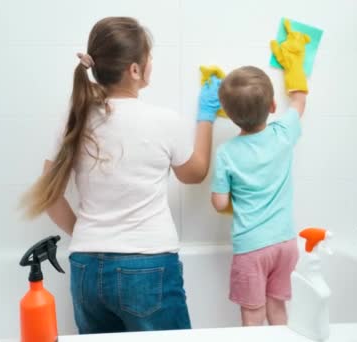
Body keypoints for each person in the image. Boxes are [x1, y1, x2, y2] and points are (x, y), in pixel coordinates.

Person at [21, 17, 222, 334]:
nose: (151, 63)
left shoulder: (74, 118)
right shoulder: (163, 121)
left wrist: (89, 232)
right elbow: (194, 174)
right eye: (149, 57)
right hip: (147, 265)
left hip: (86, 267)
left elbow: (50, 194)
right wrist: (206, 119)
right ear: (134, 69)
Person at [210, 19, 309, 326]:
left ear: (227, 114)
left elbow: (219, 203)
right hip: (285, 244)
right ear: (272, 105)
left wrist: (231, 200)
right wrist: (294, 63)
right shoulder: (283, 133)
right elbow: (300, 99)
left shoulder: (226, 153)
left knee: (253, 314)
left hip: (252, 247)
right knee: (277, 308)